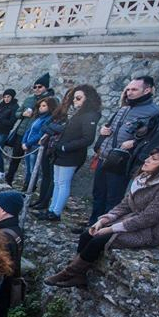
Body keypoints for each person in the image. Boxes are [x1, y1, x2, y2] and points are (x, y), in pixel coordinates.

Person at [46, 144, 159, 289]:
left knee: (99, 241)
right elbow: (125, 205)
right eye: (150, 156)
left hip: (155, 230)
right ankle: (78, 275)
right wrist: (103, 220)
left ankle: (68, 273)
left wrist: (111, 229)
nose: (147, 160)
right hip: (135, 220)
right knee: (86, 235)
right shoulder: (145, 177)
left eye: (154, 159)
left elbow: (148, 218)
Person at [90, 76, 159, 225]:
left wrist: (135, 142)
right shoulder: (124, 108)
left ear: (147, 90)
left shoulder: (154, 112)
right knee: (98, 194)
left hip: (121, 162)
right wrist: (103, 131)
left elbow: (153, 138)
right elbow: (112, 127)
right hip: (104, 157)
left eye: (134, 89)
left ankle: (104, 230)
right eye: (128, 89)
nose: (129, 92)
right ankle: (92, 224)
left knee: (113, 199)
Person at [36, 84, 102, 221]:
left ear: (87, 99)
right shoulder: (77, 113)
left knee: (63, 183)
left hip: (71, 155)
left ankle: (56, 212)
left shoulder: (90, 115)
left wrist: (65, 147)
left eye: (78, 98)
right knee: (57, 182)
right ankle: (51, 209)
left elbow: (87, 139)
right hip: (61, 152)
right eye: (74, 98)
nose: (74, 101)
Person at [30, 88, 73, 210]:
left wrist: (53, 129)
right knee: (46, 176)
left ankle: (46, 203)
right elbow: (45, 126)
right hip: (48, 146)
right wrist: (54, 129)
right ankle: (41, 200)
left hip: (56, 148)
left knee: (55, 180)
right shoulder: (59, 111)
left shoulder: (72, 114)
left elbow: (64, 129)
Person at [11, 74, 57, 186]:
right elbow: (17, 113)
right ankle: (10, 180)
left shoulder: (51, 101)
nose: (37, 89)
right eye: (35, 87)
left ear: (45, 87)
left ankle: (28, 187)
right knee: (16, 159)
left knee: (33, 166)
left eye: (40, 86)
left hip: (35, 138)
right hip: (23, 132)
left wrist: (28, 142)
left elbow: (46, 124)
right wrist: (23, 114)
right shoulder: (29, 99)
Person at [20, 97, 59, 192]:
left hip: (35, 147)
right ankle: (26, 187)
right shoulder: (38, 118)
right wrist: (23, 142)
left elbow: (40, 134)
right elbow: (29, 130)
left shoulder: (48, 119)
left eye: (44, 106)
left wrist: (28, 143)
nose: (41, 107)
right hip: (28, 145)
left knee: (33, 170)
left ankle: (30, 188)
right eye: (40, 105)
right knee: (28, 169)